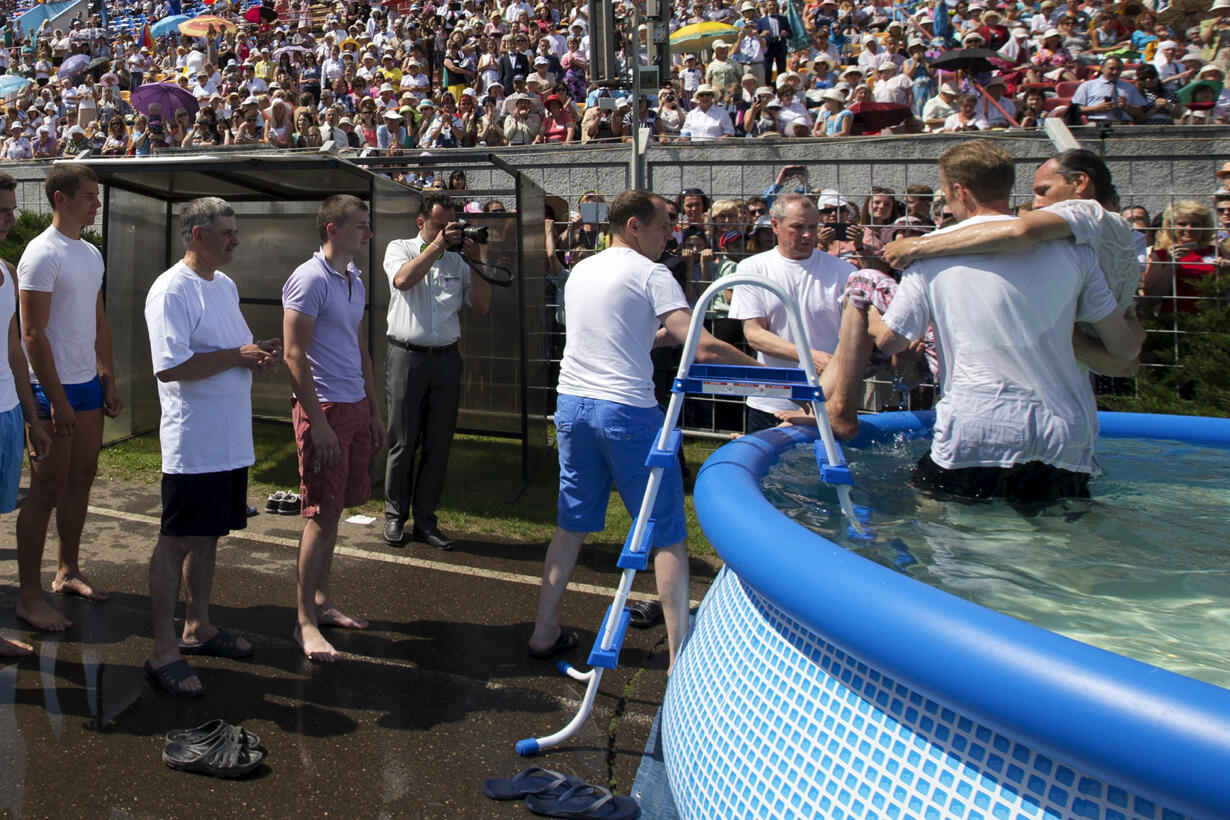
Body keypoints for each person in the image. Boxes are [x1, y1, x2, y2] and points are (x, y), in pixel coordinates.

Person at [528, 189, 759, 670]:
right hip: (627, 412)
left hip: (571, 406)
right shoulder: (653, 273)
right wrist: (767, 370)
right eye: (663, 225)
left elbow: (616, 333)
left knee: (571, 525)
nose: (671, 233)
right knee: (666, 532)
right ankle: (679, 656)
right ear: (634, 226)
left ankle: (543, 630)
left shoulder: (583, 269)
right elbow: (703, 348)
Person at [873, 141, 1140, 502]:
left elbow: (892, 342)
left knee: (939, 528)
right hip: (1064, 435)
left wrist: (865, 307)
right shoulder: (1075, 249)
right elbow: (1124, 351)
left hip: (977, 428)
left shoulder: (926, 252)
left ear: (958, 191)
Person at [142, 197, 281, 695]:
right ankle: (162, 649)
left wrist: (256, 354)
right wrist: (235, 355)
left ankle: (197, 626)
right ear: (197, 235)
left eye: (234, 231)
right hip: (193, 442)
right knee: (176, 538)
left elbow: (233, 349)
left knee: (208, 536)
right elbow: (170, 367)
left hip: (228, 441)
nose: (235, 240)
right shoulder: (170, 290)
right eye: (226, 232)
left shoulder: (223, 285)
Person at [884, 149, 1145, 378]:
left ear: (1079, 182)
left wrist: (917, 246)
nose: (1037, 203)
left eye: (1044, 191)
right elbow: (1127, 357)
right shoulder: (1111, 235)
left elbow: (1020, 231)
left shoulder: (1088, 211)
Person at [16, 164, 121, 632]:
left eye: (96, 196)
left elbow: (98, 321)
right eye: (88, 196)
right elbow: (33, 335)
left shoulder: (91, 253)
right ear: (61, 199)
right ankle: (29, 596)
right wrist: (55, 399)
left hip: (86, 386)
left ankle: (67, 570)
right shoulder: (40, 254)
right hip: (49, 386)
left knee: (82, 476)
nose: (96, 204)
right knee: (46, 490)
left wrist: (108, 377)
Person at [282, 195, 387, 662]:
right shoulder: (307, 279)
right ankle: (304, 620)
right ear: (333, 230)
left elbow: (359, 348)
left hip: (354, 405)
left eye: (367, 225)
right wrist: (318, 422)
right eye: (361, 226)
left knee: (336, 510)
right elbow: (292, 355)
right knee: (321, 514)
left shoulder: (354, 278)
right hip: (322, 407)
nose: (368, 233)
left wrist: (373, 409)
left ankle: (322, 602)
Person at [381, 192, 491, 550]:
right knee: (402, 441)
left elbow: (483, 305)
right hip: (406, 357)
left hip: (445, 358)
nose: (448, 230)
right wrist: (437, 247)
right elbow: (402, 281)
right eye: (439, 224)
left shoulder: (460, 261)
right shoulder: (401, 248)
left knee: (438, 444)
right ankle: (395, 517)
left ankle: (426, 521)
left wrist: (480, 260)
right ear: (420, 223)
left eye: (452, 224)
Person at [728, 193, 856, 434]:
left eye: (813, 226)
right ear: (775, 225)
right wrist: (810, 356)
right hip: (771, 400)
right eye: (797, 227)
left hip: (825, 398)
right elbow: (754, 334)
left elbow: (854, 335)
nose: (808, 235)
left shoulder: (844, 271)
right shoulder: (753, 268)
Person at [0, 173, 51, 654]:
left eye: (12, 209)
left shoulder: (7, 272)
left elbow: (15, 352)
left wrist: (32, 419)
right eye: (1, 211)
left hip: (9, 414)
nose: (10, 219)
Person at [1070, 56, 1146, 124]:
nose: (1115, 72)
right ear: (1102, 68)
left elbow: (1140, 112)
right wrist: (1096, 108)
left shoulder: (1129, 87)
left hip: (1123, 125)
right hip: (1097, 125)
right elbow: (1075, 109)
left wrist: (1126, 107)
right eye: (1111, 68)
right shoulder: (1088, 86)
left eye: (1119, 69)